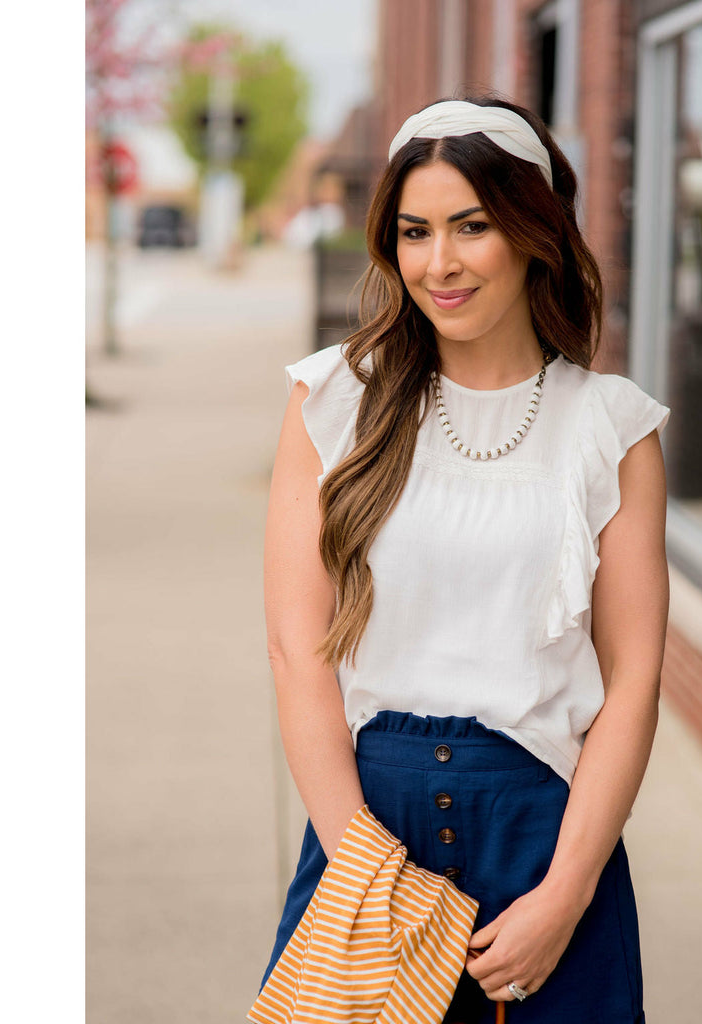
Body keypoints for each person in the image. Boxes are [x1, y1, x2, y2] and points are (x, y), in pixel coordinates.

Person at [260, 96, 670, 1024]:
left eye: (471, 227)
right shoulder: (333, 401)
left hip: (546, 835)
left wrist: (564, 898)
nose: (437, 264)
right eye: (414, 232)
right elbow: (298, 651)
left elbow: (634, 677)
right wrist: (366, 878)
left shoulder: (611, 426)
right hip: (366, 825)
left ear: (534, 231)